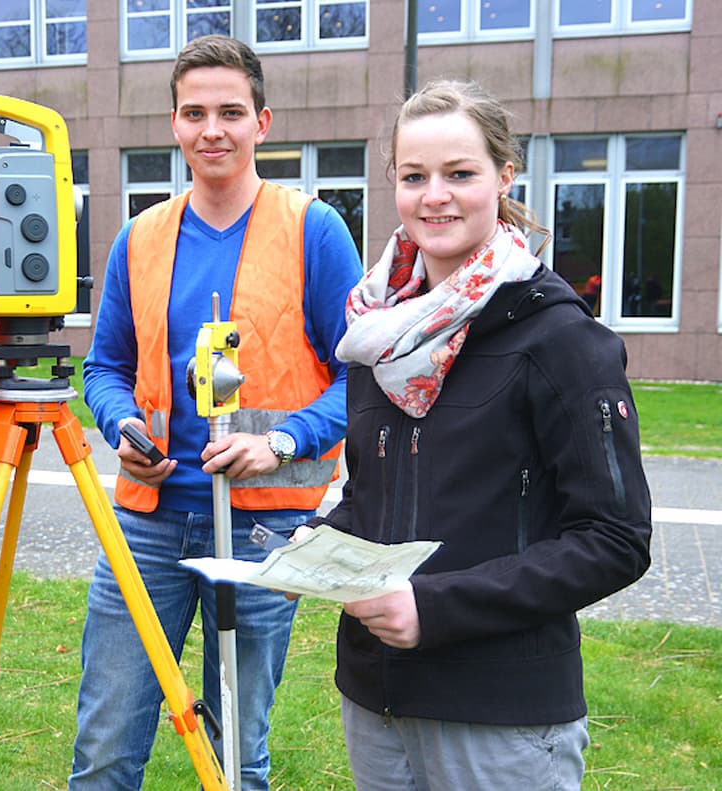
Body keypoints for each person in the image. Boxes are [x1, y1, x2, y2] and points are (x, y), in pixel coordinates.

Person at [306, 79, 652, 789]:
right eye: (414, 176)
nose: (434, 196)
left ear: (504, 176)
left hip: (500, 715)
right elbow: (373, 500)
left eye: (459, 173)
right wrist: (315, 549)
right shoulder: (375, 336)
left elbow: (615, 539)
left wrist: (433, 608)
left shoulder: (561, 340)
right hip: (375, 701)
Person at [70, 35, 363, 789]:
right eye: (194, 113)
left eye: (230, 112)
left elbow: (361, 376)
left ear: (262, 122)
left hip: (264, 528)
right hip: (149, 521)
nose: (212, 130)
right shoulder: (139, 237)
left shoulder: (314, 229)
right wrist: (121, 425)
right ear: (174, 123)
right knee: (105, 748)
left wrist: (285, 440)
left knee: (235, 755)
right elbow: (103, 367)